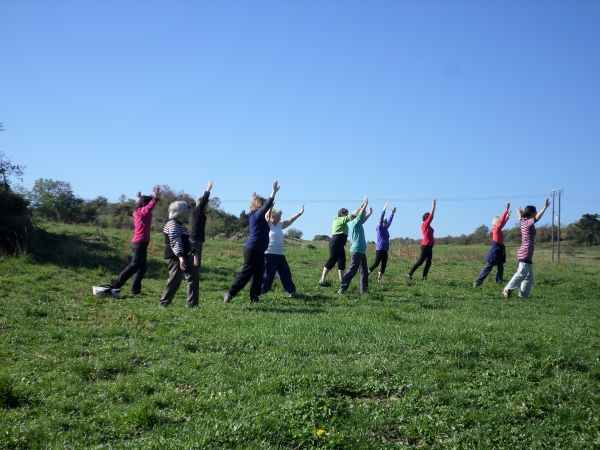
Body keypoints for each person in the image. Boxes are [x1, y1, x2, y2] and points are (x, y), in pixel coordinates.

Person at [224, 181, 280, 304]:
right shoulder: (257, 215)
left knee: (258, 275)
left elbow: (266, 209)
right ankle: (230, 293)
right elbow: (265, 207)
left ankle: (254, 298)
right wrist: (273, 192)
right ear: (260, 206)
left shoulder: (255, 215)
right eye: (263, 204)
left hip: (259, 249)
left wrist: (257, 200)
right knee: (246, 273)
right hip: (254, 249)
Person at [110, 186, 160, 295]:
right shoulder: (144, 212)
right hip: (140, 243)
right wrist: (156, 196)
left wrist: (139, 198)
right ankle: (116, 284)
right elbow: (149, 206)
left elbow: (145, 205)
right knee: (135, 266)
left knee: (141, 268)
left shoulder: (139, 211)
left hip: (140, 242)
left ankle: (135, 291)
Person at [502, 199, 550, 299]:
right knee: (521, 273)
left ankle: (523, 296)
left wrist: (519, 213)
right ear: (532, 213)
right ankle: (507, 289)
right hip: (525, 252)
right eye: (535, 212)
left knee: (529, 277)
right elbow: (537, 218)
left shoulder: (523, 221)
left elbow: (520, 218)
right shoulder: (528, 222)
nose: (536, 213)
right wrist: (544, 207)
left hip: (526, 252)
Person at [319, 199, 369, 285]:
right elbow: (349, 217)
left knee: (342, 261)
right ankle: (322, 278)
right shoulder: (337, 220)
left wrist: (361, 209)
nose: (346, 215)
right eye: (344, 214)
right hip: (335, 242)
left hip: (341, 244)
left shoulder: (345, 223)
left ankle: (341, 280)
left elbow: (357, 218)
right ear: (341, 214)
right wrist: (359, 209)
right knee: (332, 260)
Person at [159, 201, 199, 308]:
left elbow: (187, 242)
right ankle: (163, 303)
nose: (187, 211)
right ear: (179, 212)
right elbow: (175, 241)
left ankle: (192, 304)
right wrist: (180, 257)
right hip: (175, 257)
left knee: (194, 276)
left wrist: (194, 254)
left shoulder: (181, 226)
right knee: (175, 280)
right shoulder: (172, 224)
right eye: (185, 209)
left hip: (184, 256)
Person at [261, 204, 304, 297]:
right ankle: (260, 292)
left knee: (285, 273)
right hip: (269, 254)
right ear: (273, 216)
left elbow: (289, 220)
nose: (280, 218)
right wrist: (270, 207)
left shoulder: (280, 225)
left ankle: (292, 291)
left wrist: (299, 213)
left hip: (280, 255)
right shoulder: (267, 224)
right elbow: (267, 216)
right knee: (268, 275)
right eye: (279, 216)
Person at [338, 196, 372, 294]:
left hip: (361, 251)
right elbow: (361, 215)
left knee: (364, 271)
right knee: (353, 270)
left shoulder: (359, 223)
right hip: (356, 250)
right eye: (363, 214)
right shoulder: (355, 223)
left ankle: (364, 291)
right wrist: (365, 204)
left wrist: (369, 213)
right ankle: (342, 287)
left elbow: (363, 218)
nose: (363, 216)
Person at [473, 203, 511, 287]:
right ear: (497, 221)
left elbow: (503, 223)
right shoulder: (496, 229)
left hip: (500, 249)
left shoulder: (499, 229)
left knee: (500, 268)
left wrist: (507, 216)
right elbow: (502, 222)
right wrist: (506, 210)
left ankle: (499, 283)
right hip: (495, 250)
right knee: (488, 267)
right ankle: (478, 282)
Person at [405, 199, 436, 281]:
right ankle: (409, 275)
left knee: (428, 263)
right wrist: (433, 206)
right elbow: (431, 216)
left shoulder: (427, 226)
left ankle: (424, 278)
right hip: (425, 246)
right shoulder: (425, 224)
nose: (430, 218)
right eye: (428, 216)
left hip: (429, 246)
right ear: (426, 218)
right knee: (420, 262)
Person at [368, 203, 396, 283]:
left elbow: (390, 222)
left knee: (383, 265)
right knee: (376, 264)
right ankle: (366, 273)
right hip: (379, 249)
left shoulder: (386, 229)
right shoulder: (380, 228)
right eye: (384, 222)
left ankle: (379, 280)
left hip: (385, 250)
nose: (385, 223)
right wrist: (383, 211)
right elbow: (381, 220)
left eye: (386, 222)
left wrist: (392, 214)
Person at [189, 180, 213, 268]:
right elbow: (203, 202)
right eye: (206, 203)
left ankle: (194, 280)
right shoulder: (196, 211)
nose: (207, 204)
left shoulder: (200, 213)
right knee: (193, 264)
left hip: (198, 240)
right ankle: (191, 279)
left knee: (197, 265)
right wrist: (208, 189)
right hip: (194, 240)